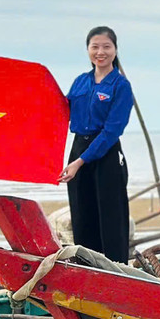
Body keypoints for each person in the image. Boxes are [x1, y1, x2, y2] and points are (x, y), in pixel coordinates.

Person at [61, 26, 134, 264]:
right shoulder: (81, 82)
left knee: (111, 218)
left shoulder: (120, 86)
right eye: (95, 47)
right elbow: (60, 113)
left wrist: (80, 162)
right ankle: (86, 267)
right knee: (82, 214)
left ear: (115, 50)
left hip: (107, 153)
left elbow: (113, 130)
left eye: (106, 46)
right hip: (78, 149)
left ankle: (116, 269)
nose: (100, 52)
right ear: (88, 50)